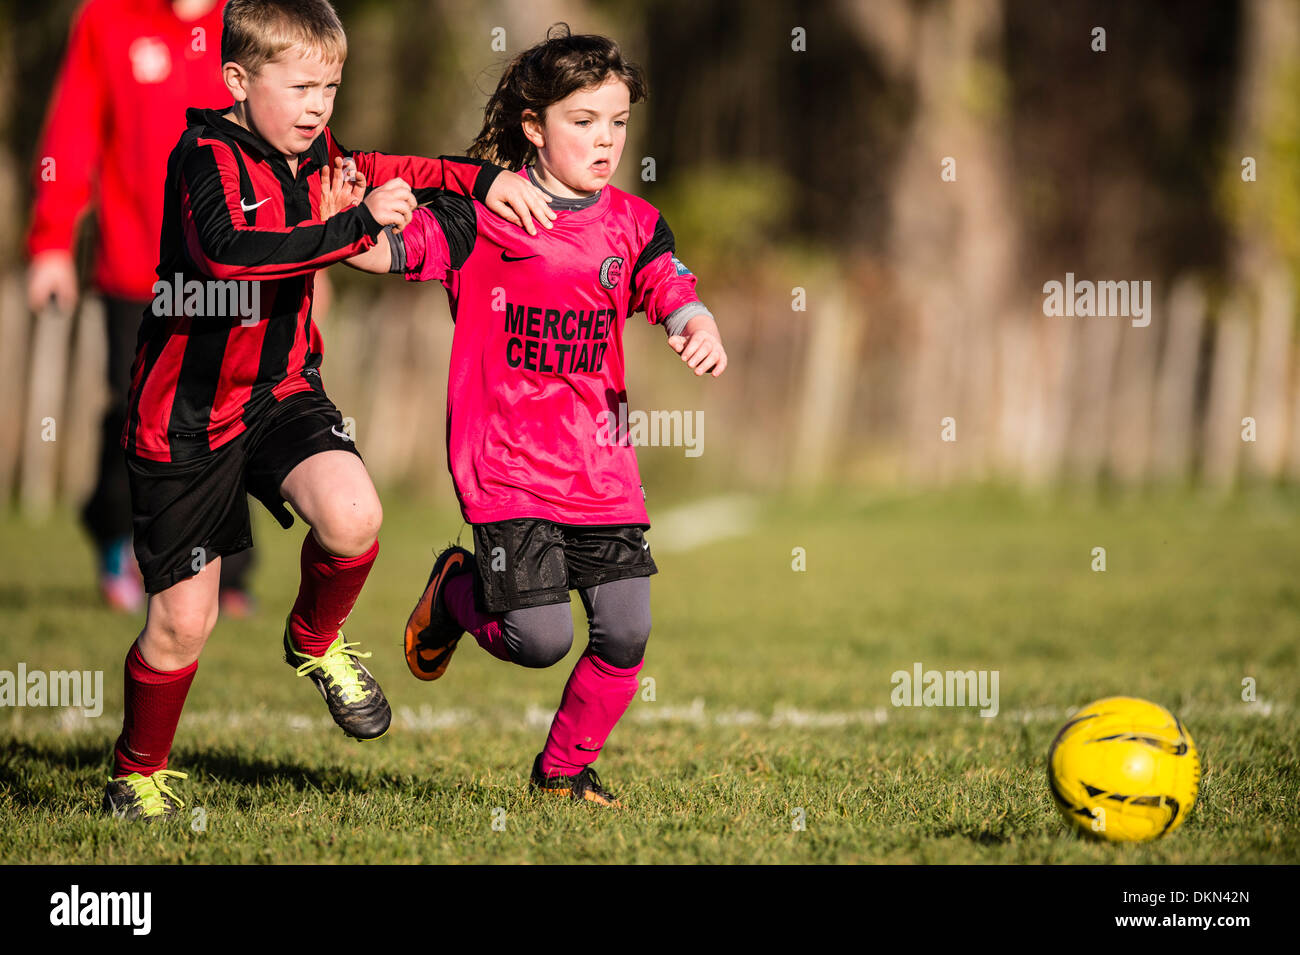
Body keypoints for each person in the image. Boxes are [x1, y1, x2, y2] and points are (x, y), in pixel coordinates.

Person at [102, 0, 554, 821]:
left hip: (281, 394)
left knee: (354, 515)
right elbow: (230, 256)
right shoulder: (203, 155)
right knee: (182, 625)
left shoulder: (316, 153)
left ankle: (314, 639)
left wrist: (488, 181)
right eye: (301, 85)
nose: (318, 106)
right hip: (184, 420)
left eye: (332, 87)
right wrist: (350, 225)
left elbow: (399, 165)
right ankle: (137, 770)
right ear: (239, 79)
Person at [353, 25, 728, 807]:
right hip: (508, 466)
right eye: (583, 122)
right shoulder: (486, 213)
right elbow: (389, 251)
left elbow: (667, 283)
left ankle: (562, 774)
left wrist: (695, 320)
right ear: (534, 126)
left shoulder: (632, 220)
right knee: (540, 638)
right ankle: (457, 590)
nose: (606, 141)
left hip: (602, 465)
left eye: (617, 123)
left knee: (625, 631)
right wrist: (353, 217)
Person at [25, 0, 255, 614]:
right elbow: (72, 133)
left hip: (236, 259)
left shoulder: (250, 22)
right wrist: (51, 241)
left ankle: (228, 570)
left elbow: (288, 129)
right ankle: (115, 535)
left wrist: (312, 239)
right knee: (137, 408)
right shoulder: (106, 21)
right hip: (136, 266)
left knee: (233, 406)